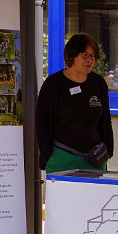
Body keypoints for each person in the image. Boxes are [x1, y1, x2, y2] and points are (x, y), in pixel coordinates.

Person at [36, 33, 113, 173]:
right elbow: (42, 123)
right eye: (85, 55)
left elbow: (106, 120)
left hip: (95, 158)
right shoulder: (53, 84)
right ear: (72, 56)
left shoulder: (98, 83)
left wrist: (108, 150)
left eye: (93, 56)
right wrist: (47, 155)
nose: (90, 60)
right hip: (63, 158)